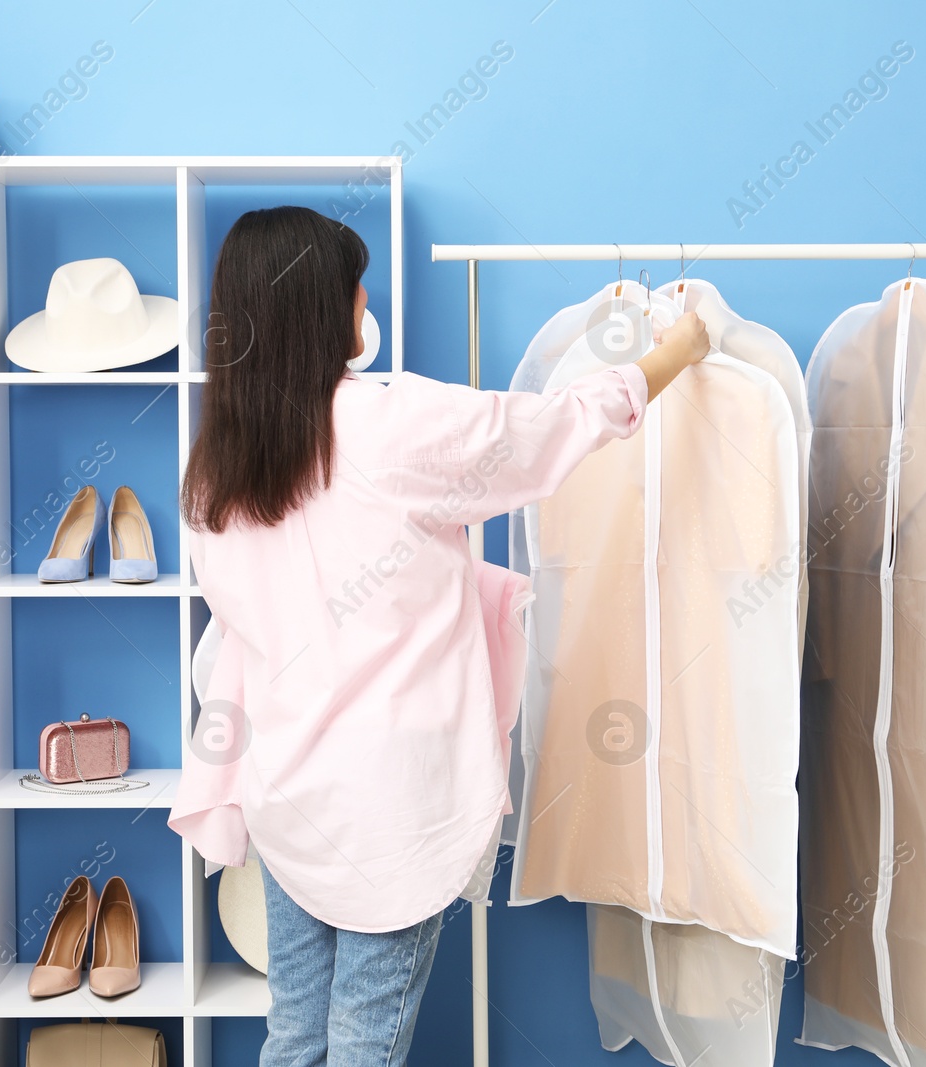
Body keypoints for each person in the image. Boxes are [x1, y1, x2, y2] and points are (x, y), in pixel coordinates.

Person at [170, 206, 708, 1066]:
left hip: (286, 792)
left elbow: (238, 631)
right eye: (355, 288)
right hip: (395, 805)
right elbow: (548, 428)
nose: (365, 302)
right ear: (327, 309)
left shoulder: (214, 469)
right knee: (360, 1048)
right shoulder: (394, 425)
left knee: (296, 1036)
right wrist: (671, 356)